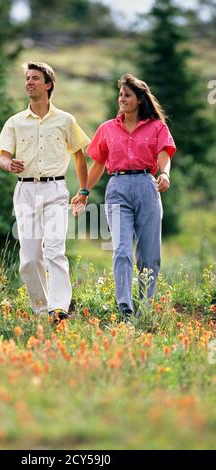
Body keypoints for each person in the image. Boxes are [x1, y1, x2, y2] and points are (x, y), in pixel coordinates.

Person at [72, 74, 176, 320]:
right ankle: (125, 307)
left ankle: (146, 307)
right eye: (120, 95)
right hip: (117, 187)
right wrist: (83, 191)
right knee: (121, 250)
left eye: (127, 95)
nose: (122, 99)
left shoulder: (157, 127)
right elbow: (97, 165)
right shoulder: (107, 129)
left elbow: (164, 153)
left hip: (146, 186)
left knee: (149, 254)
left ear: (140, 99)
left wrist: (165, 174)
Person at [0, 62, 90, 321]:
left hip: (55, 190)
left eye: (35, 78)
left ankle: (58, 308)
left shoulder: (66, 120)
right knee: (30, 258)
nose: (29, 82)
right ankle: (40, 309)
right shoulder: (15, 122)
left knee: (55, 250)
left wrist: (83, 190)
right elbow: (3, 157)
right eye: (27, 78)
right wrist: (8, 164)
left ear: (48, 84)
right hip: (25, 191)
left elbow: (80, 158)